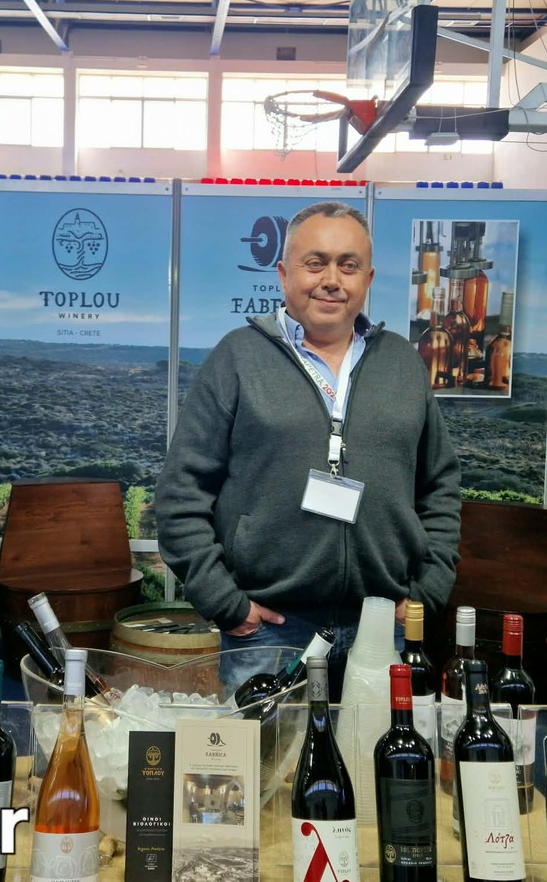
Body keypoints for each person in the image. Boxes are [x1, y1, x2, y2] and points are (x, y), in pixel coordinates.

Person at [155, 201, 462, 697]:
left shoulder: (403, 364)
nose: (331, 280)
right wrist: (226, 603)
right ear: (283, 274)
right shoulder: (237, 358)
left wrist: (427, 590)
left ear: (368, 278)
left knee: (378, 748)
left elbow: (440, 486)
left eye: (348, 265)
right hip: (268, 630)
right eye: (315, 263)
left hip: (385, 625)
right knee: (270, 750)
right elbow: (180, 493)